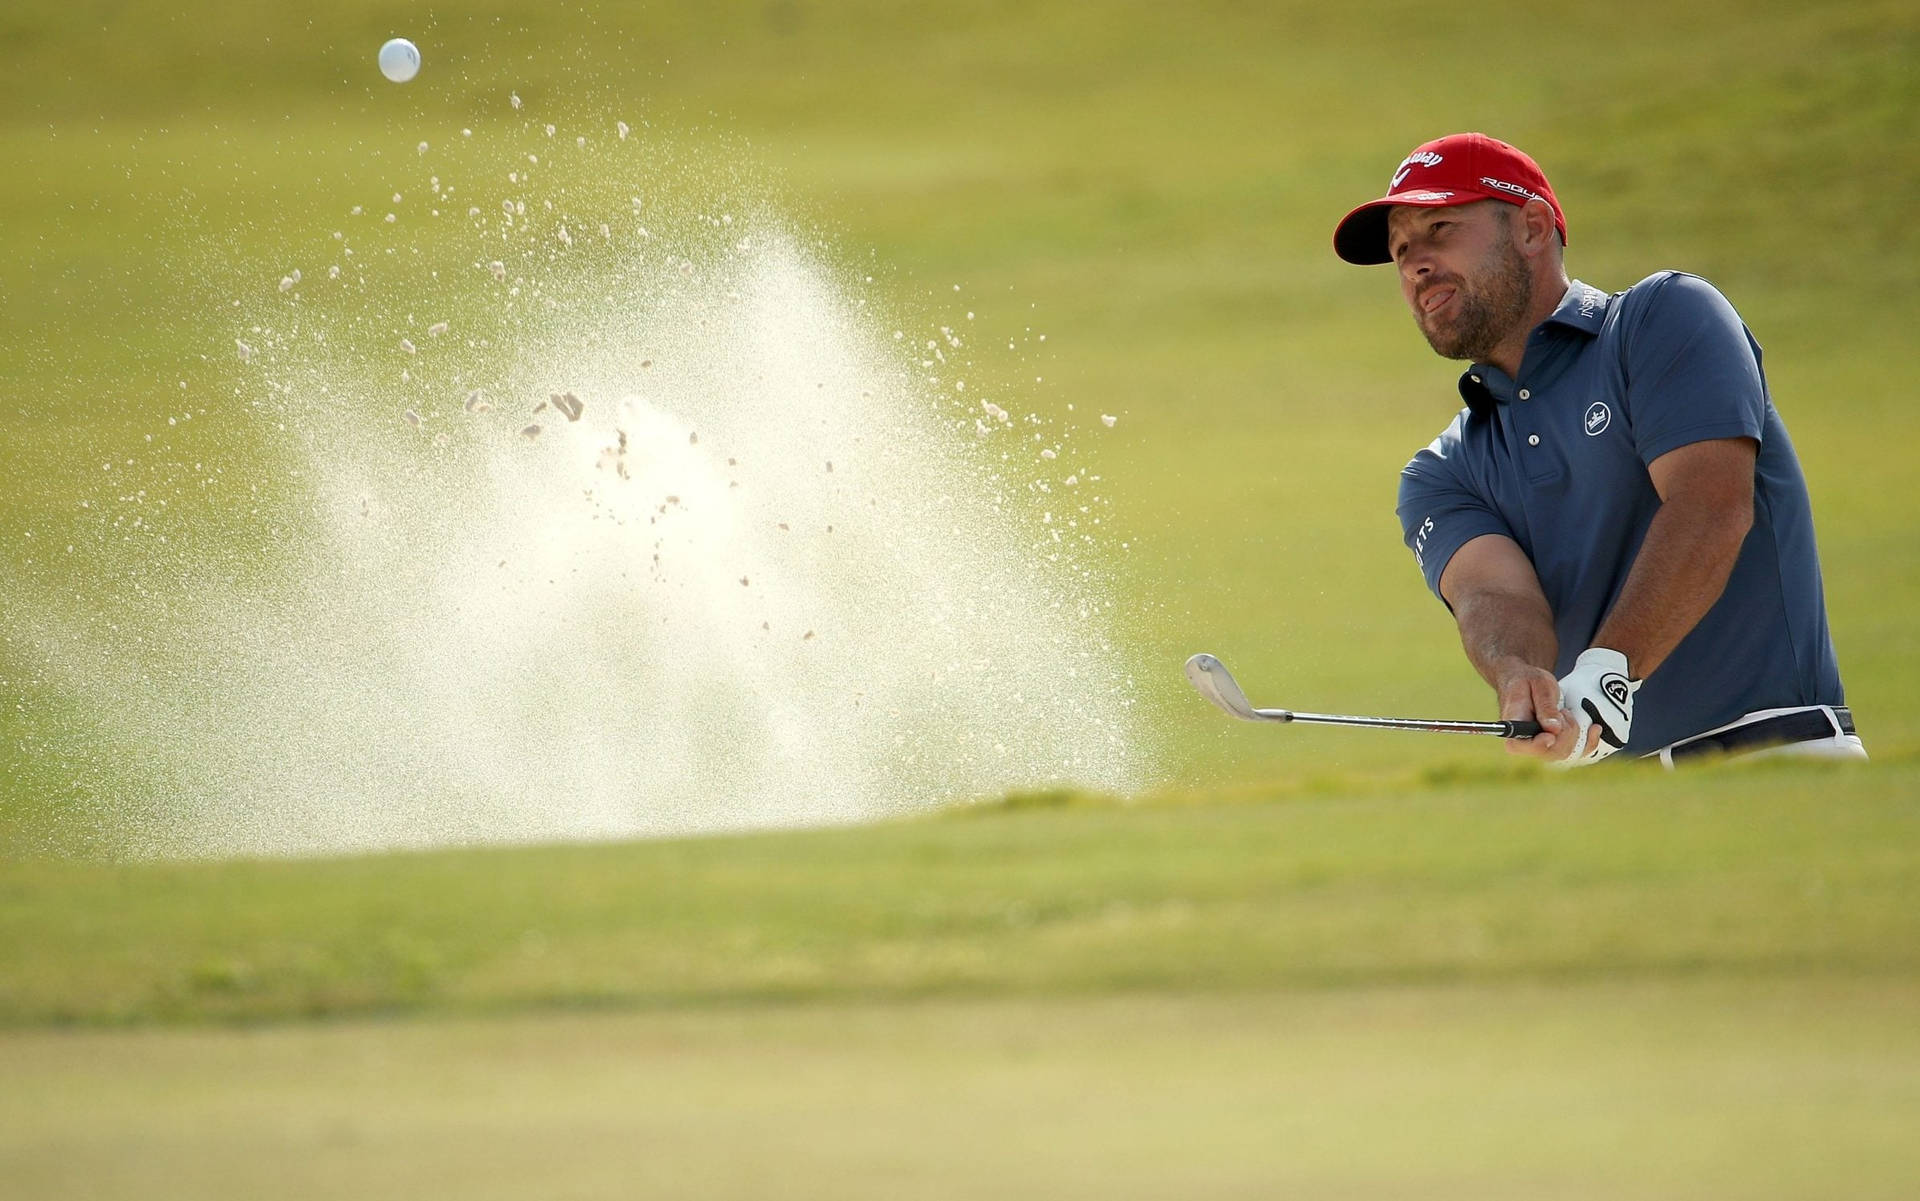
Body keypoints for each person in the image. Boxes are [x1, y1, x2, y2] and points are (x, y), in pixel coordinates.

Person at [1331, 132, 1863, 766]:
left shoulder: (1663, 319)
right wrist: (1521, 676)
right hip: (1622, 809)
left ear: (1531, 227)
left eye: (1440, 228)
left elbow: (1711, 505)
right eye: (1400, 250)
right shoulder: (1442, 471)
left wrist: (1609, 670)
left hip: (1778, 756)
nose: (1415, 264)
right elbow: (1494, 595)